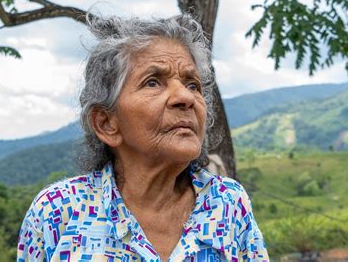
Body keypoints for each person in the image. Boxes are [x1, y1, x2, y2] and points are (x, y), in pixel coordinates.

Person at [17, 14, 269, 262]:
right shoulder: (58, 212)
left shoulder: (227, 203)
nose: (186, 97)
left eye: (192, 84)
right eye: (153, 82)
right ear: (107, 124)